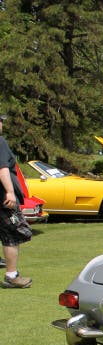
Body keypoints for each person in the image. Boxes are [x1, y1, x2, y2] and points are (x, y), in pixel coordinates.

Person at [0, 114, 33, 288]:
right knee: (12, 235)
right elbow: (2, 170)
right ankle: (12, 276)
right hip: (4, 201)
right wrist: (10, 192)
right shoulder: (0, 142)